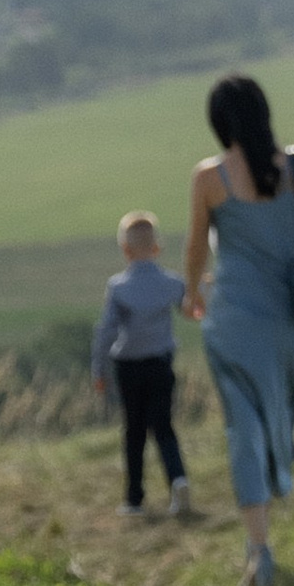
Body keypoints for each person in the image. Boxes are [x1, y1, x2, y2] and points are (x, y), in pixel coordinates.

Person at [183, 72, 294, 586]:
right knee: (279, 412)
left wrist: (191, 293)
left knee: (242, 428)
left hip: (232, 322)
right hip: (287, 324)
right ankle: (270, 499)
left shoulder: (209, 178)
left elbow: (195, 247)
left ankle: (258, 546)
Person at [92, 210, 195, 523]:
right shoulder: (171, 283)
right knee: (163, 426)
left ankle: (134, 498)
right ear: (157, 248)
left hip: (129, 368)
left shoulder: (118, 287)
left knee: (134, 431)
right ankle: (178, 479)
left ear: (125, 249)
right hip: (161, 363)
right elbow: (191, 310)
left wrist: (99, 368)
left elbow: (106, 331)